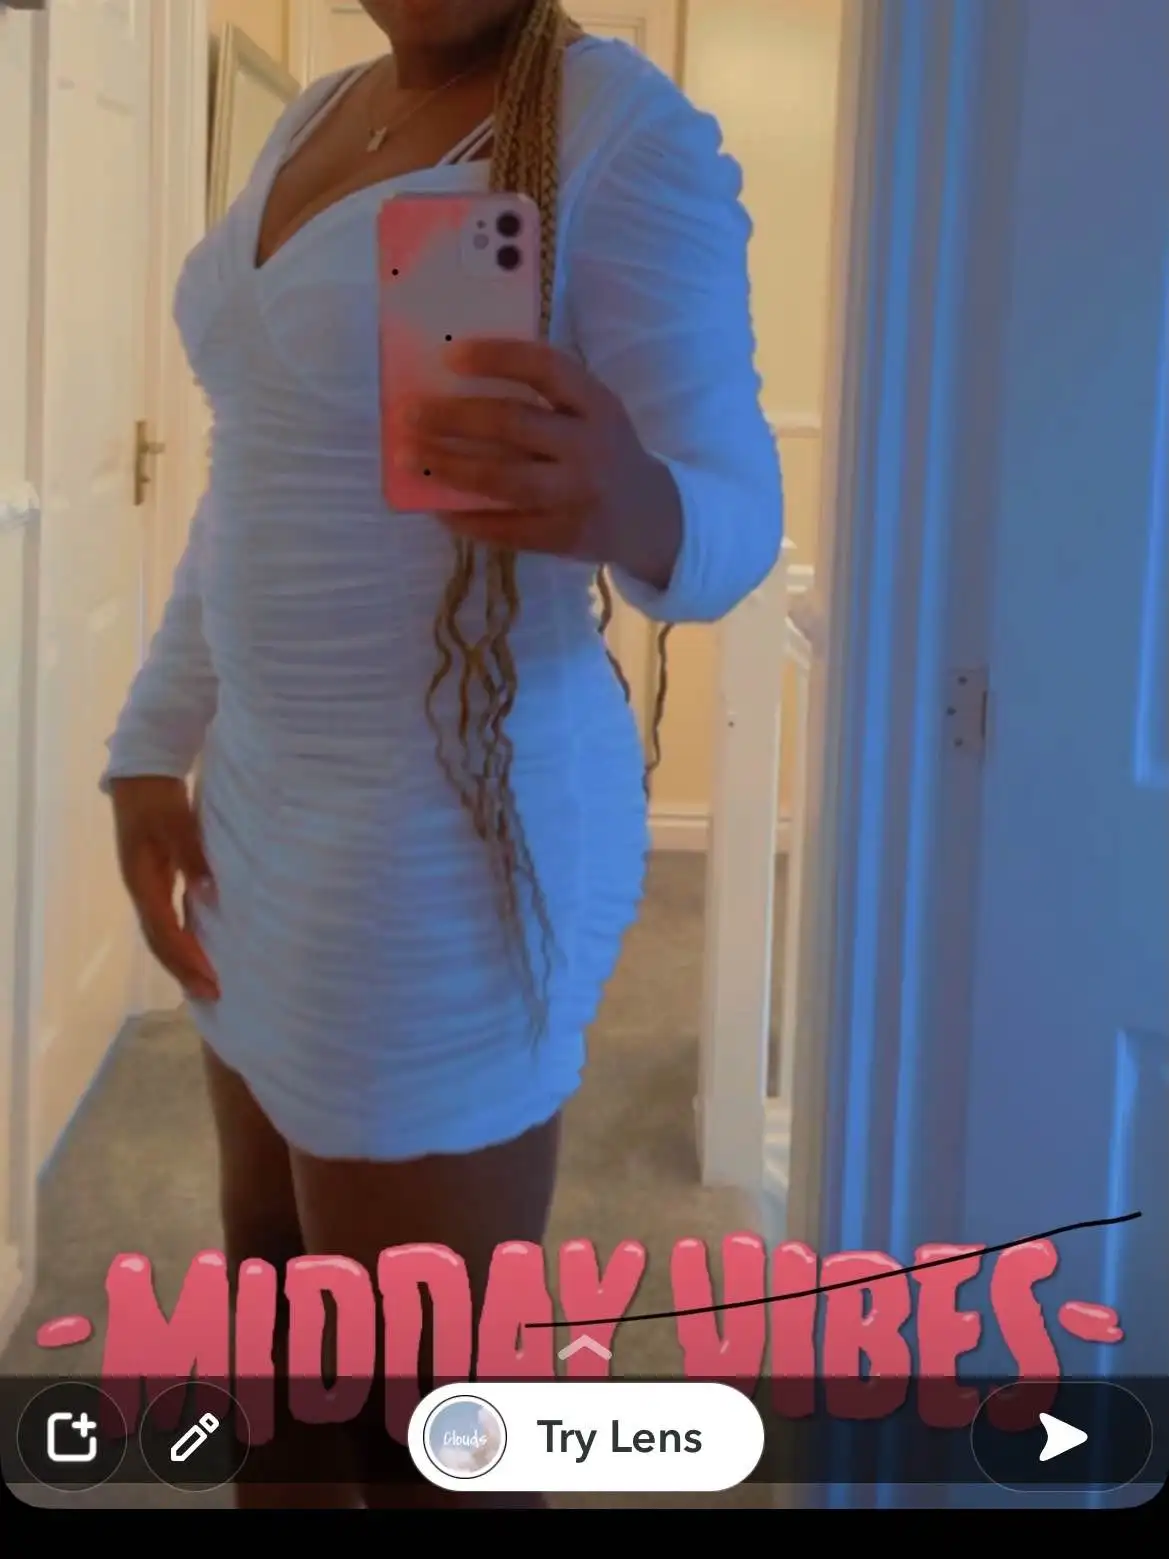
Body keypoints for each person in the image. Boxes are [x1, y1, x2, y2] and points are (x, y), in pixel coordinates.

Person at [104, 0, 781, 1509]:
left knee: (432, 1422)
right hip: (259, 812)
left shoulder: (619, 131)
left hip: (440, 838)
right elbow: (250, 476)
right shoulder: (316, 112)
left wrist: (631, 497)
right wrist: (154, 743)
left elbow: (738, 508)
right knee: (273, 1318)